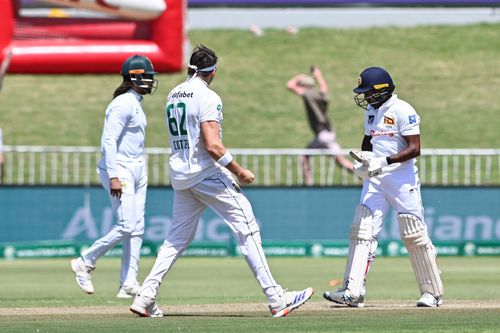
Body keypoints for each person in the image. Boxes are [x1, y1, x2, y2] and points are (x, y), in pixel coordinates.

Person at [130, 45, 313, 318]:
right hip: (205, 174)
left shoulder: (173, 93)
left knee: (176, 239)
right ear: (212, 71)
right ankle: (277, 298)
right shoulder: (208, 96)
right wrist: (239, 171)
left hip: (181, 175)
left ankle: (145, 297)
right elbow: (213, 145)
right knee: (248, 229)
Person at [323, 67, 444, 308]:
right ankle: (353, 291)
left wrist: (384, 161)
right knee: (362, 230)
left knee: (414, 233)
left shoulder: (403, 110)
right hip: (375, 178)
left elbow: (415, 148)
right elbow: (368, 141)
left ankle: (432, 292)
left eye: (368, 92)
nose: (365, 97)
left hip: (401, 179)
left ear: (382, 90)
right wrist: (364, 162)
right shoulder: (371, 111)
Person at [70, 54, 158, 298]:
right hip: (120, 168)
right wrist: (114, 175)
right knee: (126, 225)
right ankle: (85, 261)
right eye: (147, 77)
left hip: (137, 167)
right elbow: (108, 140)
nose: (151, 81)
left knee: (137, 227)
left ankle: (129, 282)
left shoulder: (135, 102)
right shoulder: (122, 103)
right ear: (133, 78)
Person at [287, 66, 353, 186]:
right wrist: (318, 76)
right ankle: (365, 176)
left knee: (304, 157)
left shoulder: (308, 95)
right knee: (341, 162)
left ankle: (308, 185)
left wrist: (299, 77)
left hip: (322, 135)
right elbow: (324, 88)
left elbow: (290, 85)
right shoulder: (319, 95)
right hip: (328, 133)